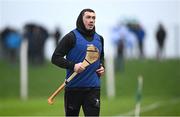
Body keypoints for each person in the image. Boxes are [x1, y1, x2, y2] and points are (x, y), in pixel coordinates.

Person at [51, 8, 105, 116]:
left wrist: (102, 67)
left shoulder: (99, 39)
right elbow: (55, 58)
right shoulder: (71, 37)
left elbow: (101, 57)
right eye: (88, 17)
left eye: (93, 18)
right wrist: (73, 66)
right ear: (81, 19)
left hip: (93, 89)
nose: (91, 20)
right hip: (73, 89)